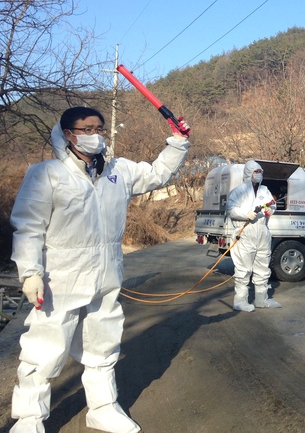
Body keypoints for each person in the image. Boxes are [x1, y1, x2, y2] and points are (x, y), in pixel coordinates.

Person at [10, 106, 190, 433]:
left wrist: (177, 143)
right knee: (44, 350)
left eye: (99, 129)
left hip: (106, 273)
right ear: (68, 134)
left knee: (103, 346)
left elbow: (157, 174)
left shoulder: (118, 171)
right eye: (87, 129)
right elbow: (28, 227)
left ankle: (103, 408)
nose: (95, 135)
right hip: (59, 278)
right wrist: (30, 272)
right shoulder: (46, 174)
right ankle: (29, 419)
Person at [225, 160, 281, 312]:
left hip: (262, 231)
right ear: (249, 173)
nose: (259, 175)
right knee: (243, 269)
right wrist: (245, 214)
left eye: (260, 172)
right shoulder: (239, 191)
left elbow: (272, 204)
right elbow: (230, 209)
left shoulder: (264, 190)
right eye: (256, 172)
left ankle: (262, 299)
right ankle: (240, 301)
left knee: (263, 268)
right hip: (245, 232)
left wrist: (271, 210)